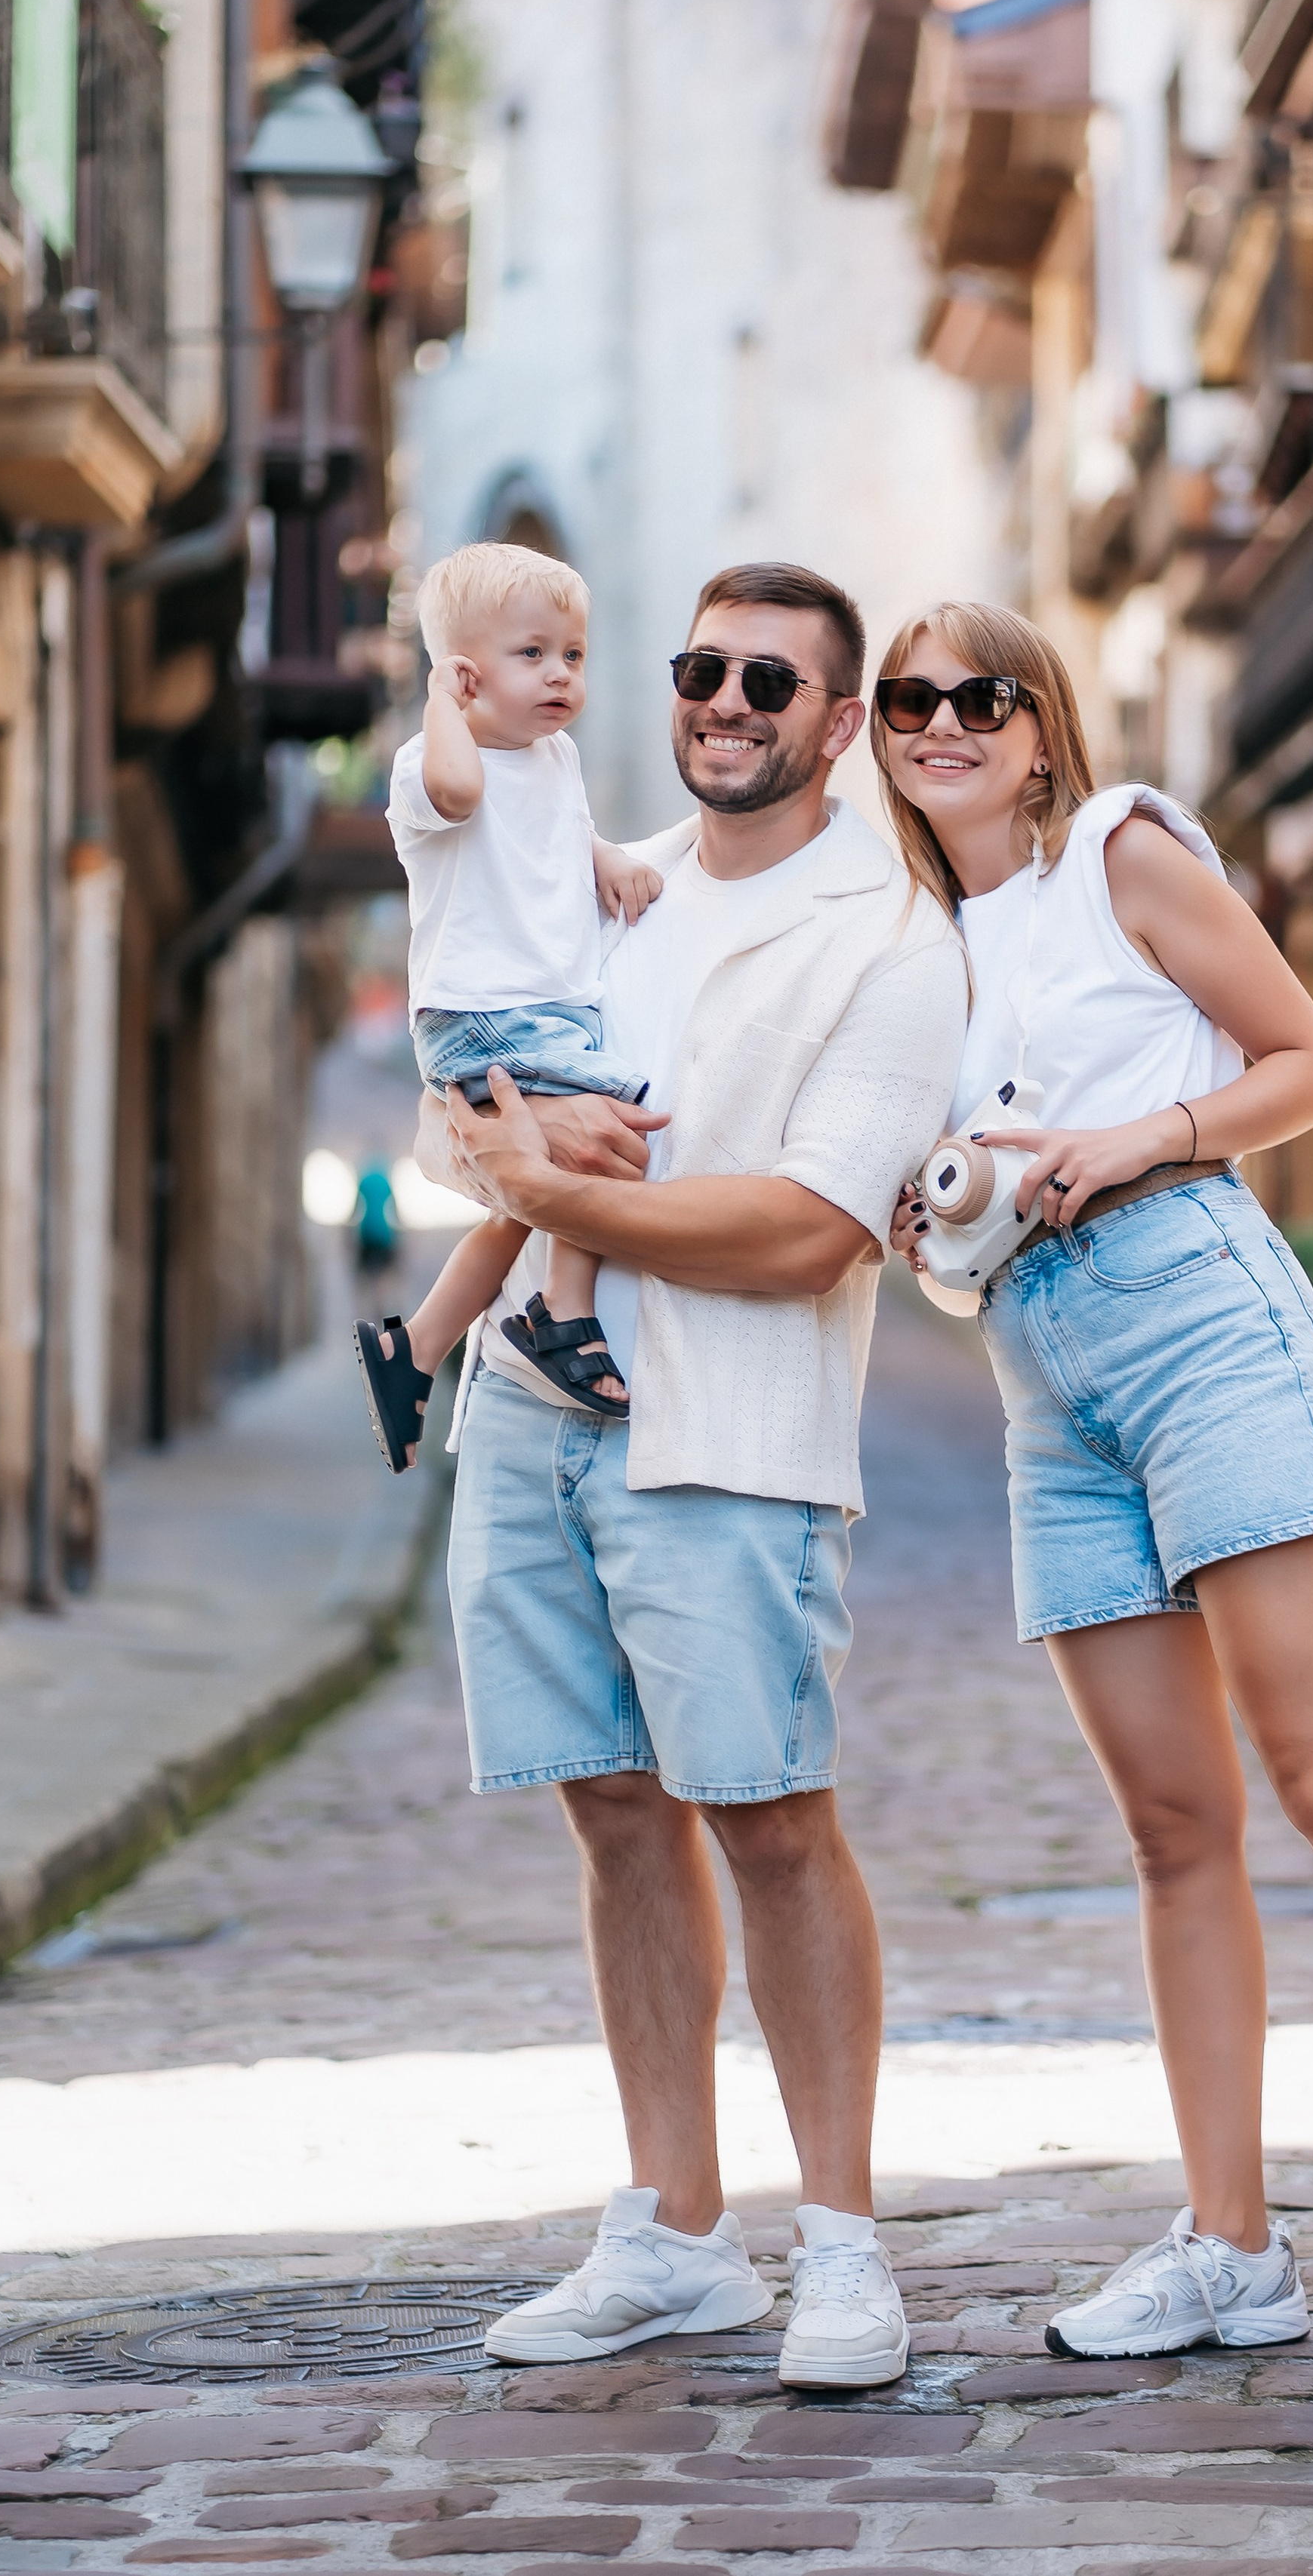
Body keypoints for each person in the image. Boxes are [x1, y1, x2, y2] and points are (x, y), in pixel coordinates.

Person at [874, 600, 1313, 2408]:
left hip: (1196, 1310)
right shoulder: (909, 946)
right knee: (1170, 1826)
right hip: (1040, 1373)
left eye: (979, 695)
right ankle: (1230, 2246)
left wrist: (1138, 1135)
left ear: (1041, 728)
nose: (941, 720)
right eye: (906, 698)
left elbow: (1309, 1064)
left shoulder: (1119, 851)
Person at [418, 562, 966, 2388]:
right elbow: (460, 1085)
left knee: (770, 1816)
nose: (724, 701)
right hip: (530, 1407)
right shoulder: (601, 883)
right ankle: (671, 2232)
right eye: (700, 668)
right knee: (609, 1806)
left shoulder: (890, 936)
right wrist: (509, 1148)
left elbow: (810, 1230)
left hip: (727, 1431)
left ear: (836, 722)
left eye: (769, 681)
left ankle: (843, 2246)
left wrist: (547, 1180)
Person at [353, 542, 663, 1470]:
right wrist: (440, 706)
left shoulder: (556, 756)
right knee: (608, 1136)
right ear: (464, 672)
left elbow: (558, 833)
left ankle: (415, 1349)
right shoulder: (430, 760)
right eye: (532, 654)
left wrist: (605, 858)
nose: (561, 673)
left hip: (546, 1011)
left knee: (528, 1203)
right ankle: (561, 1312)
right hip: (482, 1012)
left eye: (573, 654)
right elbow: (460, 796)